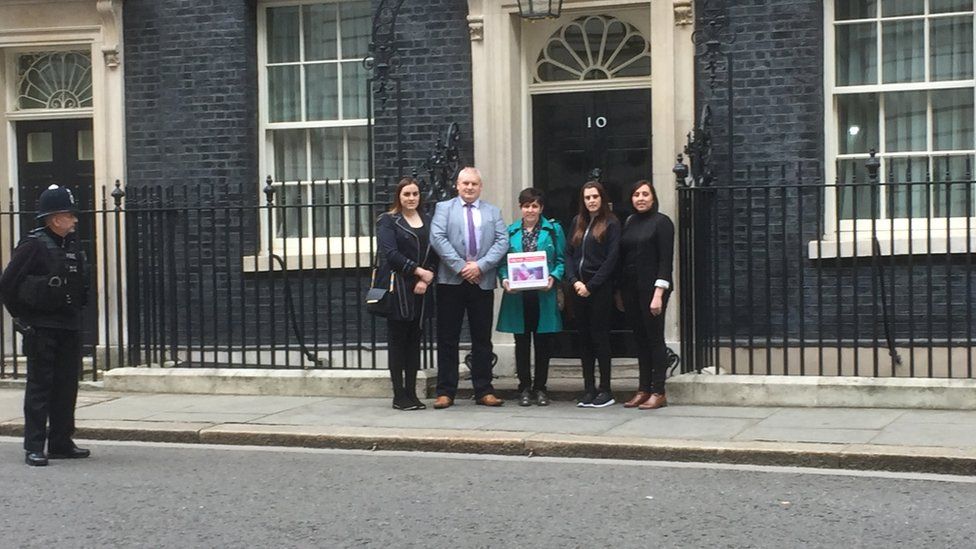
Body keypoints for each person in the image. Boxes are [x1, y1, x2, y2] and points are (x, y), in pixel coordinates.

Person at [0, 185, 92, 466]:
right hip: (41, 327)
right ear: (55, 219)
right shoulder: (33, 246)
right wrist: (22, 319)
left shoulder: (72, 246)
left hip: (68, 325)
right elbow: (7, 285)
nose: (75, 220)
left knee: (66, 386)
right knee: (40, 387)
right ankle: (35, 445)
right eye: (70, 215)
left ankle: (61, 441)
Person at [429, 166, 509, 409]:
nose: (469, 187)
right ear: (457, 185)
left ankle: (484, 390)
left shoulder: (492, 211)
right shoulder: (444, 209)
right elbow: (437, 238)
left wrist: (480, 267)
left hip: (481, 281)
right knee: (448, 337)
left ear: (480, 187)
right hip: (451, 281)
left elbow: (502, 241)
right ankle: (445, 391)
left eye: (474, 184)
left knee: (482, 338)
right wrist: (462, 267)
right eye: (465, 183)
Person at [497, 188, 566, 407]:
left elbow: (562, 260)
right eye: (526, 206)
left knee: (543, 342)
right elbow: (502, 263)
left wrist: (554, 277)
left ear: (541, 208)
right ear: (520, 208)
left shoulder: (553, 230)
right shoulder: (510, 233)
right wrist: (505, 279)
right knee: (522, 342)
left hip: (543, 294)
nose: (530, 210)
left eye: (534, 206)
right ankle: (524, 387)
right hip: (518, 296)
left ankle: (541, 387)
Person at [375, 177, 439, 411]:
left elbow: (435, 252)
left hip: (422, 288)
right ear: (398, 197)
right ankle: (398, 394)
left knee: (414, 341)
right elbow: (390, 254)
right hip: (398, 287)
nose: (411, 198)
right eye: (406, 194)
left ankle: (412, 393)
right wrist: (418, 272)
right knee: (397, 341)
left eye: (415, 194)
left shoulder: (428, 221)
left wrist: (427, 274)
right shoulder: (388, 221)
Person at [618, 180, 675, 410]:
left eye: (645, 194)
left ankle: (658, 390)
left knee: (654, 339)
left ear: (653, 198)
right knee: (639, 340)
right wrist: (619, 291)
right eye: (636, 194)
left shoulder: (662, 222)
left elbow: (665, 260)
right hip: (631, 289)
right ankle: (643, 389)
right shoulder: (630, 222)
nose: (640, 198)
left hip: (652, 290)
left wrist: (659, 293)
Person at [565, 181, 620, 408]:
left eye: (595, 196)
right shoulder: (577, 222)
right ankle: (588, 388)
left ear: (602, 198)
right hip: (578, 290)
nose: (591, 201)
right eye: (587, 197)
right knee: (584, 339)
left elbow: (612, 259)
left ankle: (605, 389)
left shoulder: (611, 223)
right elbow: (568, 254)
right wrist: (574, 281)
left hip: (600, 290)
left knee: (600, 338)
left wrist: (592, 285)